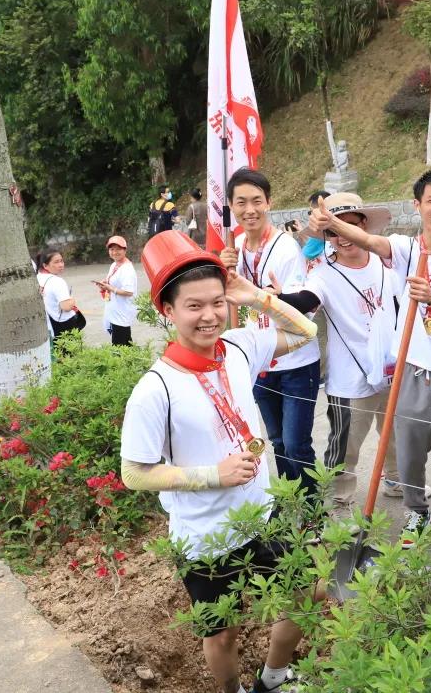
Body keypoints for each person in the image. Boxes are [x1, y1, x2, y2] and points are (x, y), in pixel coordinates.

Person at [120, 231, 318, 693]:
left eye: (217, 302)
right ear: (166, 310)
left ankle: (272, 678)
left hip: (262, 518)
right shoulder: (155, 389)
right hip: (205, 537)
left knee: (305, 595)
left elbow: (304, 332)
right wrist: (214, 475)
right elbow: (134, 472)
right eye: (193, 306)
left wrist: (256, 297)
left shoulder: (238, 347)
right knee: (221, 631)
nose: (209, 316)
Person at [310, 169, 431, 554]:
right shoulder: (406, 249)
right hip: (412, 369)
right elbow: (367, 240)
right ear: (417, 206)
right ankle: (417, 512)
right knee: (410, 452)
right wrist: (331, 222)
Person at [274, 193, 411, 515]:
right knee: (345, 445)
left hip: (392, 369)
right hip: (351, 379)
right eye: (333, 232)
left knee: (395, 433)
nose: (342, 238)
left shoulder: (386, 262)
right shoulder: (323, 273)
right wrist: (275, 298)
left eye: (348, 226)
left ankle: (395, 479)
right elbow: (306, 301)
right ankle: (340, 495)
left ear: (363, 226)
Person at [219, 169, 323, 499]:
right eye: (241, 203)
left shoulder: (286, 248)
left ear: (269, 203)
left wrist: (268, 295)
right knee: (276, 440)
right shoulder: (231, 248)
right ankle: (291, 498)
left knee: (296, 443)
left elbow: (299, 306)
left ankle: (312, 511)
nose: (249, 210)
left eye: (256, 201)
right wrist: (221, 268)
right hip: (260, 359)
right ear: (232, 207)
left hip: (295, 359)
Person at [96, 235, 137, 346]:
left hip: (122, 313)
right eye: (112, 249)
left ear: (125, 250)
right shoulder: (115, 264)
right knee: (125, 343)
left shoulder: (127, 269)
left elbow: (129, 292)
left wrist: (110, 288)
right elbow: (113, 280)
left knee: (120, 345)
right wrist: (104, 283)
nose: (115, 252)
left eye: (118, 249)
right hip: (115, 311)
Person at [35, 249, 85, 341]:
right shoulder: (57, 281)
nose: (61, 265)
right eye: (56, 262)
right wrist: (72, 300)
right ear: (45, 265)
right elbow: (66, 307)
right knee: (72, 354)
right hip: (65, 325)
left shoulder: (37, 277)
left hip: (50, 324)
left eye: (61, 261)